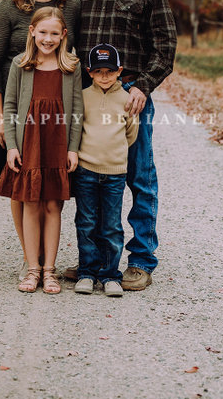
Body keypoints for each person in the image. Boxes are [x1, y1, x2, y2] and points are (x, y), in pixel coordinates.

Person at [73, 0, 177, 291]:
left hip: (130, 96)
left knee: (138, 177)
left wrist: (143, 86)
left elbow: (165, 46)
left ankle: (141, 260)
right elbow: (70, 45)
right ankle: (97, 262)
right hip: (89, 98)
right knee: (91, 180)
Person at [0, 0, 80, 277]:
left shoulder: (70, 5)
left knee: (50, 183)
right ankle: (31, 259)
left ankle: (45, 260)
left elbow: (74, 54)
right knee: (19, 181)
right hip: (14, 107)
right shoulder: (8, 6)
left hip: (55, 109)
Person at [0, 6, 83, 294]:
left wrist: (72, 148)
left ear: (63, 35)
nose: (48, 39)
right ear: (32, 31)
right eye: (43, 32)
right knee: (31, 203)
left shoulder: (71, 67)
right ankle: (32, 269)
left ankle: (49, 271)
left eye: (54, 34)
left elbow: (77, 110)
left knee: (53, 205)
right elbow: (10, 106)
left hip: (57, 142)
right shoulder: (21, 64)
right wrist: (12, 146)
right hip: (29, 142)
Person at [73, 43, 138, 298]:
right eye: (98, 71)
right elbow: (76, 130)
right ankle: (87, 273)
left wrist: (113, 155)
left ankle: (110, 275)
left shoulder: (127, 99)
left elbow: (131, 133)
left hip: (114, 173)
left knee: (111, 225)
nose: (104, 76)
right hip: (86, 170)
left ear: (119, 71)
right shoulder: (82, 97)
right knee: (86, 222)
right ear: (89, 71)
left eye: (109, 71)